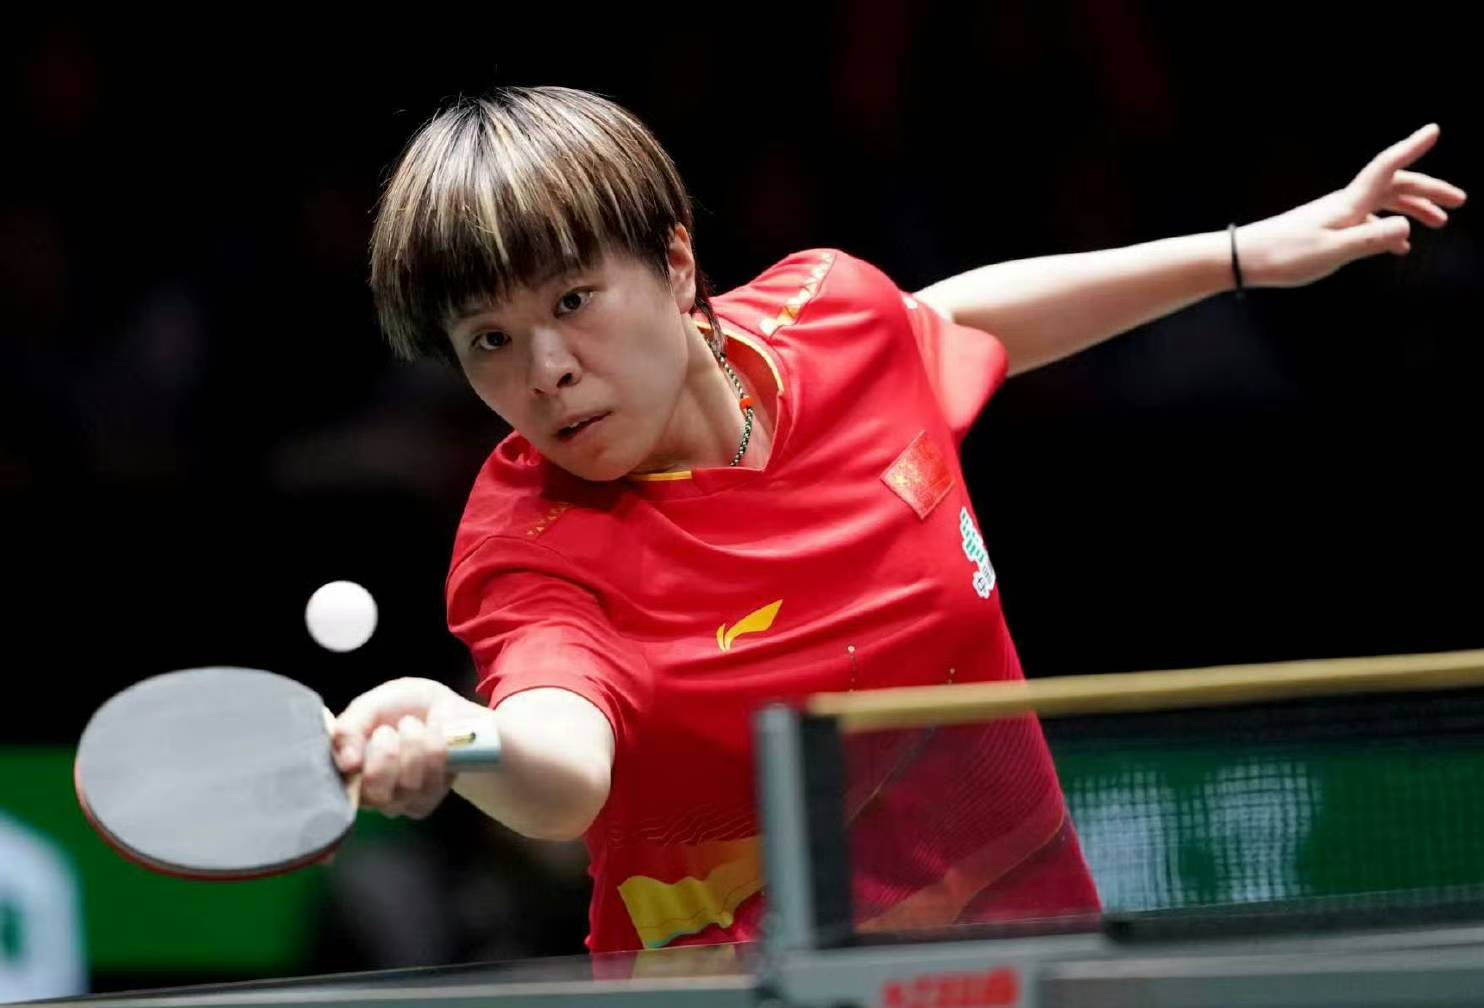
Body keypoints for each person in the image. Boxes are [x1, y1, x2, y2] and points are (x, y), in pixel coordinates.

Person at [331, 87, 1465, 953]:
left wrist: (1240, 255)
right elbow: (562, 764)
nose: (544, 371)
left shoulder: (832, 321)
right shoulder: (529, 544)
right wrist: (460, 736)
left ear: (675, 264)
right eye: (489, 341)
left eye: (573, 301)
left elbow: (951, 321)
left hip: (1028, 960)